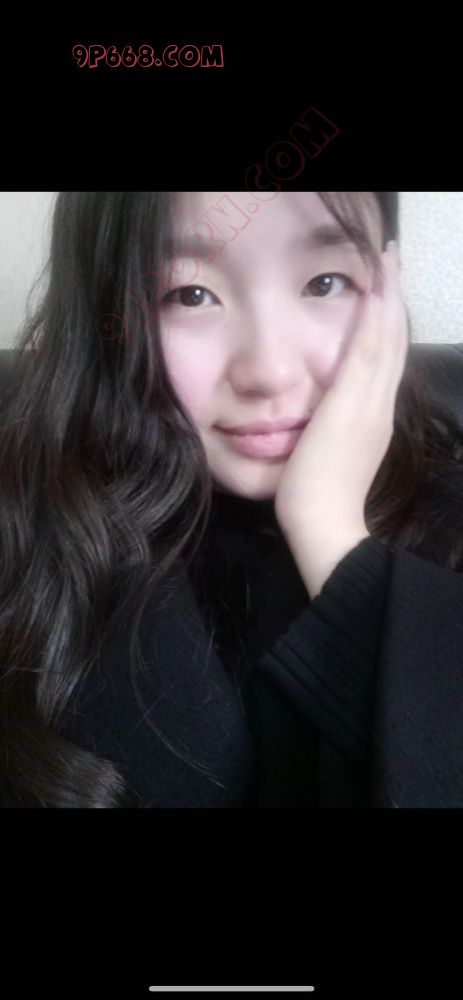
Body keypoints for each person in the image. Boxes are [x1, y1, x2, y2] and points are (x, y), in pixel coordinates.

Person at [1, 191, 462, 808]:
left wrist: (330, 533)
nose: (269, 372)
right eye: (189, 294)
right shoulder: (28, 544)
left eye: (325, 283)